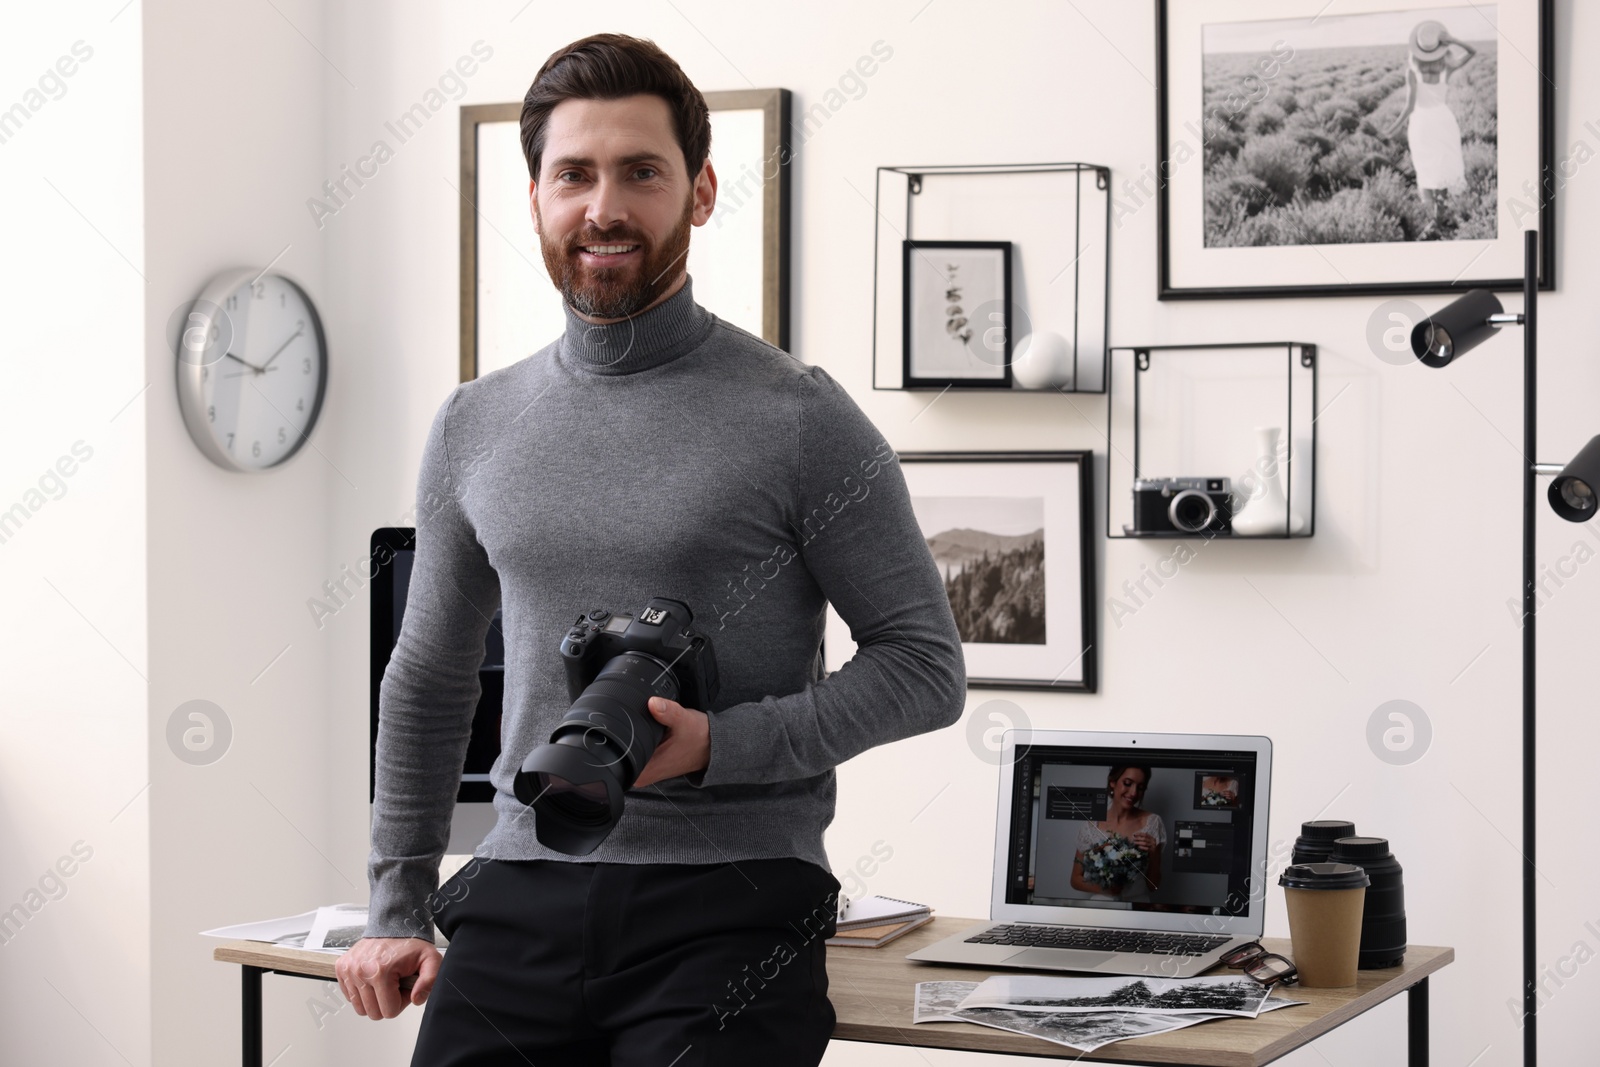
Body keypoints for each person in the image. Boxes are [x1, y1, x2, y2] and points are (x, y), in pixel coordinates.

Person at [333, 33, 967, 1067]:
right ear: (534, 194)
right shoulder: (473, 423)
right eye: (573, 174)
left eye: (641, 172)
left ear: (702, 190)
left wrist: (720, 746)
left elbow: (924, 668)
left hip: (732, 898)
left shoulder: (798, 417)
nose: (604, 207)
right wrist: (395, 903)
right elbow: (430, 675)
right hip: (519, 886)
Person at [1383, 19, 1477, 236]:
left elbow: (1408, 108)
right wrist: (1451, 40)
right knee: (1443, 166)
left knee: (1426, 168)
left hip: (1422, 123)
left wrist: (1391, 129)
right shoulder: (1448, 68)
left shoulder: (1412, 72)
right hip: (1444, 122)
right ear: (1440, 47)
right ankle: (1440, 219)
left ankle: (1432, 223)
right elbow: (1472, 52)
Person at [1070, 765, 1165, 902]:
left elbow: (1153, 886)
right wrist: (1105, 889)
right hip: (1102, 906)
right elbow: (1075, 879)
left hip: (1137, 906)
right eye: (1127, 783)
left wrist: (1154, 852)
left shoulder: (1153, 823)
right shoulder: (1091, 826)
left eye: (1140, 787)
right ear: (1112, 783)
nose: (1133, 793)